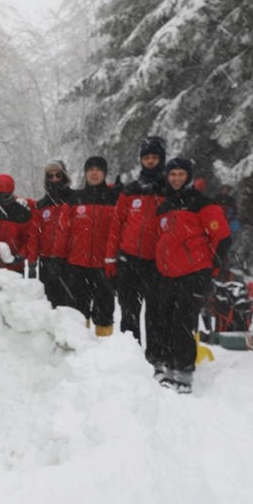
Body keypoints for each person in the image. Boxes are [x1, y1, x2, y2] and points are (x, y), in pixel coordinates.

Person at [152, 157, 231, 393]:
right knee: (163, 319)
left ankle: (184, 372)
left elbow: (223, 236)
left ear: (188, 176)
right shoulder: (164, 207)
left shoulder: (201, 203)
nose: (176, 178)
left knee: (183, 322)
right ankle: (168, 365)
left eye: (181, 174)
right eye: (172, 174)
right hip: (168, 274)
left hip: (195, 273)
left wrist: (211, 267)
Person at [106, 136, 167, 347]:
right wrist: (110, 258)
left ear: (162, 159)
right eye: (146, 157)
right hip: (129, 260)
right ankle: (129, 358)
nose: (150, 161)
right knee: (129, 311)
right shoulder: (130, 190)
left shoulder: (169, 190)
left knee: (157, 314)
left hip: (157, 264)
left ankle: (156, 357)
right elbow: (116, 225)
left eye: (154, 157)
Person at [66, 156, 118, 336]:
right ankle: (80, 347)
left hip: (105, 265)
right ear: (85, 173)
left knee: (105, 310)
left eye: (98, 169)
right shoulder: (75, 198)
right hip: (78, 263)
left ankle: (104, 346)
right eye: (90, 169)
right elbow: (65, 230)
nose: (94, 173)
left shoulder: (115, 198)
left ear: (104, 173)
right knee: (78, 310)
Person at [26, 161, 74, 307]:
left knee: (70, 307)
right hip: (46, 262)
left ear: (64, 176)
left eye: (58, 175)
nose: (54, 179)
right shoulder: (41, 205)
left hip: (69, 261)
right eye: (50, 176)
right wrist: (32, 262)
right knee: (48, 305)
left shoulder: (74, 199)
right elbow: (34, 234)